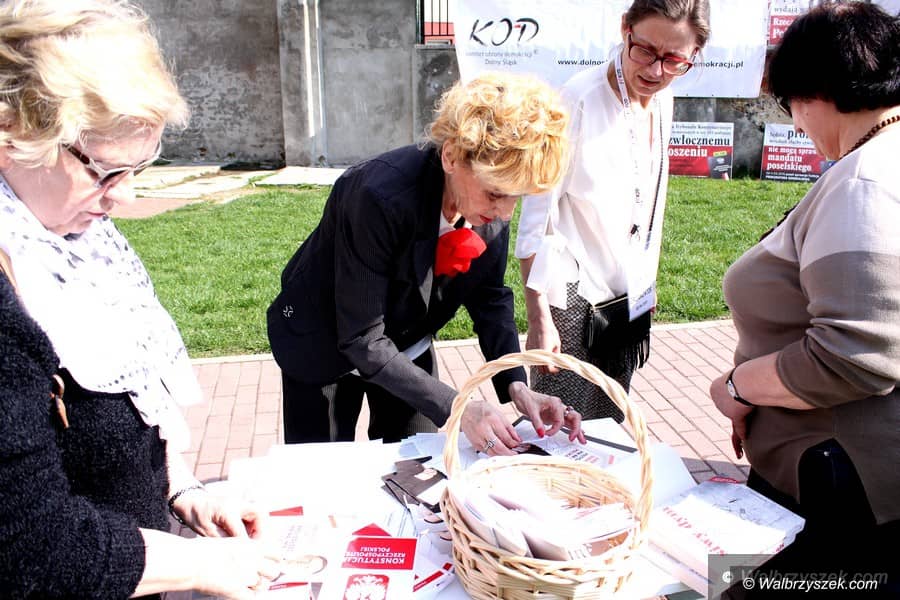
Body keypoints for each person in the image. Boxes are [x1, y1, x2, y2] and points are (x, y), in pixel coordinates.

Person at [0, 1, 281, 597]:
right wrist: (198, 565)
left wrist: (183, 490)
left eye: (140, 167)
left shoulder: (73, 235)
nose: (124, 197)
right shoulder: (11, 278)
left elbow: (130, 409)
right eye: (104, 171)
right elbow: (29, 542)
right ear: (16, 133)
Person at [268, 72, 587, 454]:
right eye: (495, 194)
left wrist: (516, 385)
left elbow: (489, 298)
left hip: (406, 344)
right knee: (322, 470)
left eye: (516, 198)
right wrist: (459, 406)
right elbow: (362, 338)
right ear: (451, 156)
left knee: (417, 462)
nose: (504, 213)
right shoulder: (378, 197)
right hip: (323, 342)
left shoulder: (489, 210)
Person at [710, 3, 900, 591]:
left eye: (790, 104)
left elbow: (853, 355)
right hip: (837, 467)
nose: (795, 125)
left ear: (814, 90)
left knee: (741, 585)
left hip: (832, 476)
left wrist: (737, 387)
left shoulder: (864, 181)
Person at [515, 0, 710, 421]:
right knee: (560, 425)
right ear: (625, 28)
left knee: (610, 422)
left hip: (625, 295)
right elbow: (535, 218)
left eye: (674, 60)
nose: (655, 71)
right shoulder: (577, 100)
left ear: (693, 55)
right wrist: (538, 315)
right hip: (570, 295)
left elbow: (650, 199)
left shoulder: (663, 99)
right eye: (645, 50)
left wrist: (646, 281)